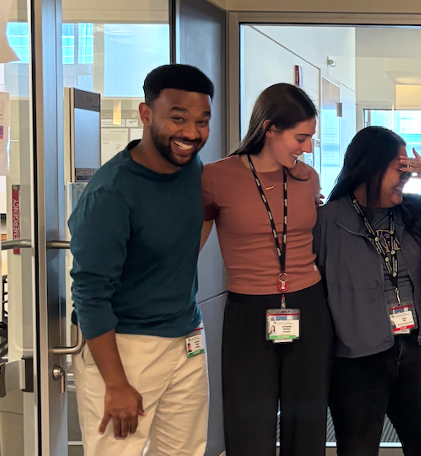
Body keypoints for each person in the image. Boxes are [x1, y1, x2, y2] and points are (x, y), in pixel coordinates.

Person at [68, 64, 213, 456]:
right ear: (146, 114)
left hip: (185, 338)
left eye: (202, 121)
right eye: (178, 118)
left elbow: (197, 221)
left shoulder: (190, 169)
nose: (191, 133)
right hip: (126, 348)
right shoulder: (111, 194)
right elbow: (90, 293)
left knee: (185, 451)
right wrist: (115, 383)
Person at [200, 83, 331, 455]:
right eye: (301, 137)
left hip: (308, 304)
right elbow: (186, 247)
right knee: (249, 425)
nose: (306, 148)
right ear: (270, 128)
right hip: (248, 311)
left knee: (306, 424)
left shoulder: (307, 179)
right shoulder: (215, 177)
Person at [314, 126, 421, 455]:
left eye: (408, 171)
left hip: (416, 351)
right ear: (369, 166)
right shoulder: (326, 220)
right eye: (399, 169)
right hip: (356, 359)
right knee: (357, 450)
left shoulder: (417, 211)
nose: (405, 178)